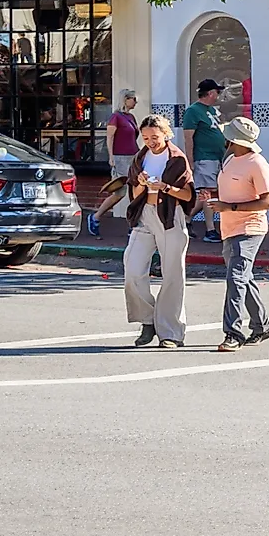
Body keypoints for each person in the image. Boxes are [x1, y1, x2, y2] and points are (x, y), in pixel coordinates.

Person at [120, 114, 194, 349]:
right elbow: (133, 195)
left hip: (170, 217)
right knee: (132, 271)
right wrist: (141, 182)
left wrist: (165, 187)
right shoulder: (140, 158)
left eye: (154, 137)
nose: (150, 142)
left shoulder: (177, 159)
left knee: (173, 274)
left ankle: (171, 332)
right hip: (145, 215)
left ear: (165, 134)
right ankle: (148, 320)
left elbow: (188, 195)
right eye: (145, 138)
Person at [212, 117, 269, 351]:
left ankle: (233, 333)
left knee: (235, 278)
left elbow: (267, 201)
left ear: (233, 139)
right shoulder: (230, 160)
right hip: (229, 228)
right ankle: (262, 325)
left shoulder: (257, 163)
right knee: (243, 278)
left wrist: (230, 208)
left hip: (250, 228)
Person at [181, 81, 228, 244]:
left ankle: (186, 219)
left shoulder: (213, 111)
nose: (218, 96)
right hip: (204, 157)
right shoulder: (193, 111)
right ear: (209, 93)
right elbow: (188, 137)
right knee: (208, 192)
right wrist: (190, 161)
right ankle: (210, 230)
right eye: (217, 92)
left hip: (218, 157)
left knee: (210, 193)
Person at [103, 91, 141, 222]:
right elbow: (110, 137)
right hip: (121, 157)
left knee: (136, 187)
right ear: (125, 100)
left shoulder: (131, 117)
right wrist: (111, 156)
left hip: (134, 156)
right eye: (133, 99)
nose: (136, 102)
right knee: (121, 192)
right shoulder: (116, 117)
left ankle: (135, 219)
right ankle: (96, 216)